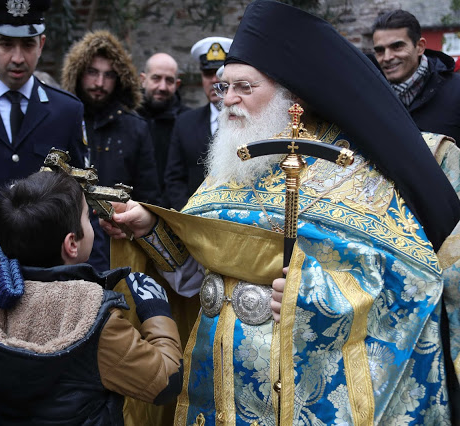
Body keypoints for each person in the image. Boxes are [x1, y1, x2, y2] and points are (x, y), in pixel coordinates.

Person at [102, 1, 460, 424]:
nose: (227, 100)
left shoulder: (367, 170)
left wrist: (311, 295)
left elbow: (414, 286)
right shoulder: (233, 164)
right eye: (222, 87)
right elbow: (198, 274)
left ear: (295, 95)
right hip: (211, 387)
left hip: (303, 392)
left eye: (244, 88)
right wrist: (151, 230)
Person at [0, 170, 183, 425]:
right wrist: (156, 310)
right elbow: (166, 381)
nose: (92, 226)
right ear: (72, 244)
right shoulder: (97, 323)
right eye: (87, 218)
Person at [61, 30, 161, 272]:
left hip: (118, 251)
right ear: (79, 73)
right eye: (92, 72)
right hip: (65, 251)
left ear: (120, 79)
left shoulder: (135, 128)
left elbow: (150, 198)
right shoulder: (62, 121)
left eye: (108, 75)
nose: (99, 83)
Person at [0, 0, 86, 201]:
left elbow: (80, 191)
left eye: (28, 44)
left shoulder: (67, 111)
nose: (18, 58)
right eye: (6, 44)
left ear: (41, 45)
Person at [164, 36, 232, 211]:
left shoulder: (249, 123)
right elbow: (174, 178)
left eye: (220, 73)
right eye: (208, 74)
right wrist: (187, 215)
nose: (214, 80)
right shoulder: (185, 122)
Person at [372, 9, 460, 143]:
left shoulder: (457, 91)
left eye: (397, 47)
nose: (387, 57)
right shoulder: (370, 96)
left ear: (420, 46)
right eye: (380, 51)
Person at [138, 52, 189, 207]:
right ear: (143, 80)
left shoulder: (188, 122)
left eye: (169, 80)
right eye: (156, 78)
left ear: (177, 84)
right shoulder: (127, 119)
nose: (162, 87)